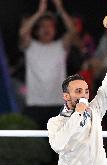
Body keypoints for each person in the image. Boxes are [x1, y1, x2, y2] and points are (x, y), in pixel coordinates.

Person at [47, 13, 107, 165]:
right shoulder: (55, 122)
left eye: (86, 90)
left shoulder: (95, 109)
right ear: (66, 96)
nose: (84, 94)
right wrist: (78, 113)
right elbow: (60, 144)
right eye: (78, 91)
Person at [19, 0, 76, 128]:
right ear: (37, 30)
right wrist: (39, 13)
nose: (46, 29)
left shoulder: (60, 46)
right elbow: (23, 32)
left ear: (55, 30)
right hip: (34, 104)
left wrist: (60, 9)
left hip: (58, 104)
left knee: (58, 145)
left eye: (50, 26)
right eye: (43, 26)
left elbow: (72, 31)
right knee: (33, 144)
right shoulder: (30, 46)